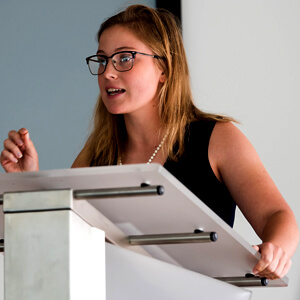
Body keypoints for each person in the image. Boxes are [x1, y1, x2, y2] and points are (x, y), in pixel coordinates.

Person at [0, 5, 298, 280]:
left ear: (164, 69)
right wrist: (30, 183)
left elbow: (277, 216)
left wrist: (276, 249)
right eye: (102, 59)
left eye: (125, 58)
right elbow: (61, 241)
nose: (108, 72)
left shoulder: (217, 138)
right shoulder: (97, 151)